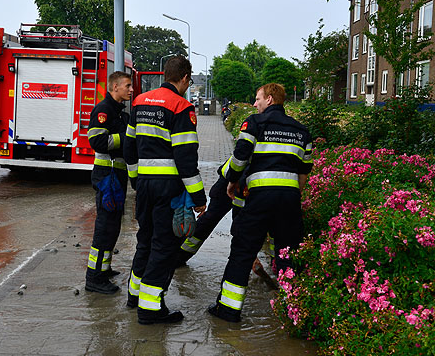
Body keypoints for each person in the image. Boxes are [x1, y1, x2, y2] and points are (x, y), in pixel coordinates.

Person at [208, 83, 313, 323]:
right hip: (289, 199)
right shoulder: (302, 131)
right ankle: (293, 311)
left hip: (259, 198)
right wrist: (291, 194)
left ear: (270, 99)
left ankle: (228, 310)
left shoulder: (254, 123)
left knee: (243, 252)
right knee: (288, 253)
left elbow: (240, 157)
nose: (255, 104)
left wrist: (232, 182)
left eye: (258, 99)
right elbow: (304, 172)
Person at [124, 55, 207, 325]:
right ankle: (150, 309)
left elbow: (129, 147)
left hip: (145, 185)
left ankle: (134, 295)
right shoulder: (181, 106)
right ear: (184, 78)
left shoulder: (139, 101)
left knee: (145, 239)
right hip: (167, 188)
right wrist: (198, 198)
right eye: (189, 80)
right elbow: (186, 159)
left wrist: (136, 180)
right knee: (164, 246)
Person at [85, 71, 133, 294]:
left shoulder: (120, 113)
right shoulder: (103, 110)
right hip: (107, 176)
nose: (131, 90)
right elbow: (97, 141)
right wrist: (125, 138)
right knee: (105, 226)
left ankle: (104, 268)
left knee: (113, 224)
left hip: (116, 175)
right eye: (127, 86)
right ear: (115, 87)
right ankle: (94, 278)